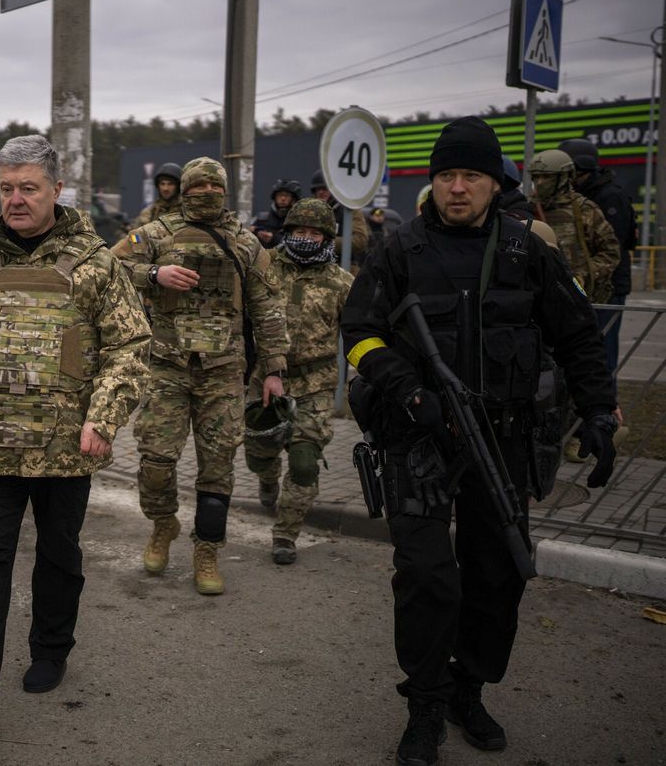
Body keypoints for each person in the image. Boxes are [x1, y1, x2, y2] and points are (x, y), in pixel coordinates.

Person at [341, 116, 618, 766]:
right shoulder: (400, 250)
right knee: (426, 576)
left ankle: (468, 687)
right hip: (420, 440)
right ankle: (425, 705)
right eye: (445, 175)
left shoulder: (528, 251)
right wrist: (412, 392)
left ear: (496, 184)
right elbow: (359, 329)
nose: (457, 187)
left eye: (470, 176)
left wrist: (602, 413)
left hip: (505, 439)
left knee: (499, 575)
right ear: (432, 182)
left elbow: (578, 334)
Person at [0, 135, 149, 744]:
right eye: (7, 189)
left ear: (55, 190)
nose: (16, 200)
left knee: (57, 554)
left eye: (29, 188)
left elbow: (130, 346)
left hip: (66, 448)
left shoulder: (97, 264)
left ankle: (50, 647)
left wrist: (104, 415)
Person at [111, 156, 288, 595]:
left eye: (215, 189)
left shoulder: (245, 243)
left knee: (217, 468)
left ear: (225, 193)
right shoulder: (157, 234)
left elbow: (267, 307)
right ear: (183, 192)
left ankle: (207, 550)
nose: (207, 195)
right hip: (167, 368)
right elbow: (106, 268)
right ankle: (163, 523)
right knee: (155, 460)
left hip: (223, 373)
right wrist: (155, 273)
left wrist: (273, 370)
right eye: (198, 189)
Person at [243, 198, 353, 563]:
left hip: (316, 383)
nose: (306, 238)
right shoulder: (266, 266)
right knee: (259, 453)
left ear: (327, 238)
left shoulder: (341, 283)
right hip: (265, 378)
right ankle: (267, 477)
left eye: (314, 233)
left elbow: (359, 331)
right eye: (299, 231)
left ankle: (286, 534)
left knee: (305, 461)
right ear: (287, 232)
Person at [558, 137, 637, 375]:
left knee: (601, 352)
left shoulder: (609, 196)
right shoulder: (581, 197)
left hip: (608, 286)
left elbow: (613, 244)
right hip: (587, 284)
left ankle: (606, 408)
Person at [527, 149, 620, 306]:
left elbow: (611, 252)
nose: (540, 182)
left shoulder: (585, 210)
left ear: (564, 177)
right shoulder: (528, 209)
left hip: (576, 298)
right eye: (536, 177)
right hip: (538, 297)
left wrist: (584, 275)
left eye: (547, 176)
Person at [309, 169, 370, 272]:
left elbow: (360, 240)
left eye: (325, 188)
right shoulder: (308, 210)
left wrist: (327, 243)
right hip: (313, 266)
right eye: (317, 189)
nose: (321, 192)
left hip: (343, 266)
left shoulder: (349, 210)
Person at [251, 178, 302, 248]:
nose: (283, 198)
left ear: (294, 199)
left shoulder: (300, 221)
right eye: (279, 195)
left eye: (287, 195)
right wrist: (252, 231)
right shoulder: (261, 218)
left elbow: (302, 244)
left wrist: (274, 239)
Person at [133, 162, 182, 227]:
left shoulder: (186, 210)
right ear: (158, 186)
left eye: (170, 184)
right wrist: (141, 236)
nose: (165, 188)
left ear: (178, 186)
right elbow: (134, 235)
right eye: (162, 184)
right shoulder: (149, 212)